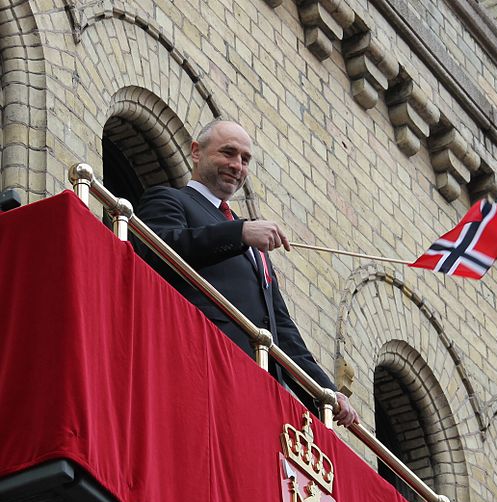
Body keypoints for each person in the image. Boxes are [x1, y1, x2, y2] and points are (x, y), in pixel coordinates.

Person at [133, 119, 357, 427]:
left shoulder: (251, 242)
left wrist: (325, 393)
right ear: (196, 152)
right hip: (198, 362)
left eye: (245, 159)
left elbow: (280, 327)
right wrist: (238, 233)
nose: (237, 165)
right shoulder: (171, 199)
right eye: (228, 153)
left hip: (257, 388)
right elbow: (156, 249)